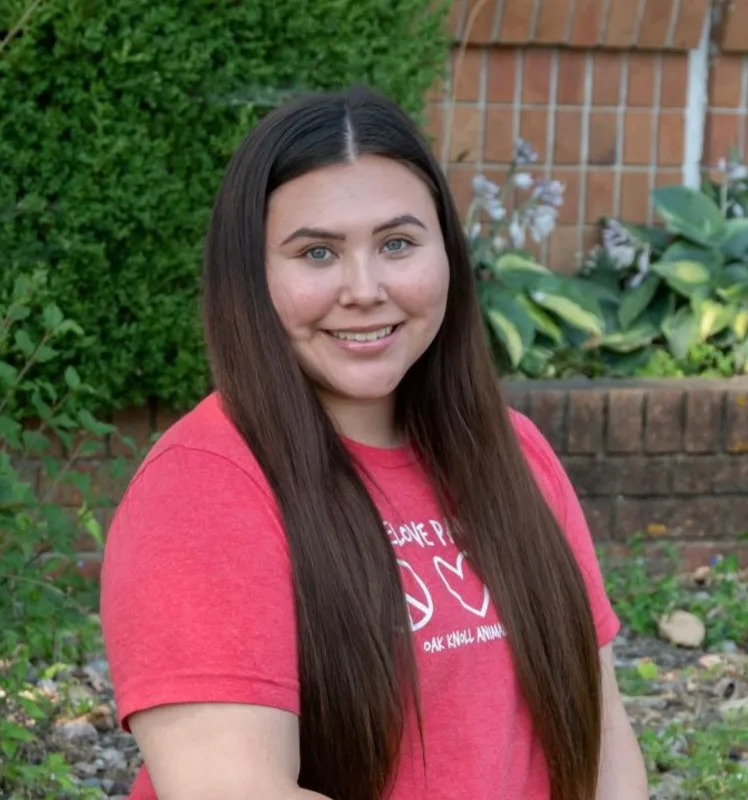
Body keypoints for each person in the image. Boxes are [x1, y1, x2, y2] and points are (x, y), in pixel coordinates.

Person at [100, 85, 649, 800]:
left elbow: (604, 742)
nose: (365, 288)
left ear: (447, 255)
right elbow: (230, 788)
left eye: (396, 244)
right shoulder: (203, 488)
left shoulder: (515, 457)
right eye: (318, 253)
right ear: (252, 278)